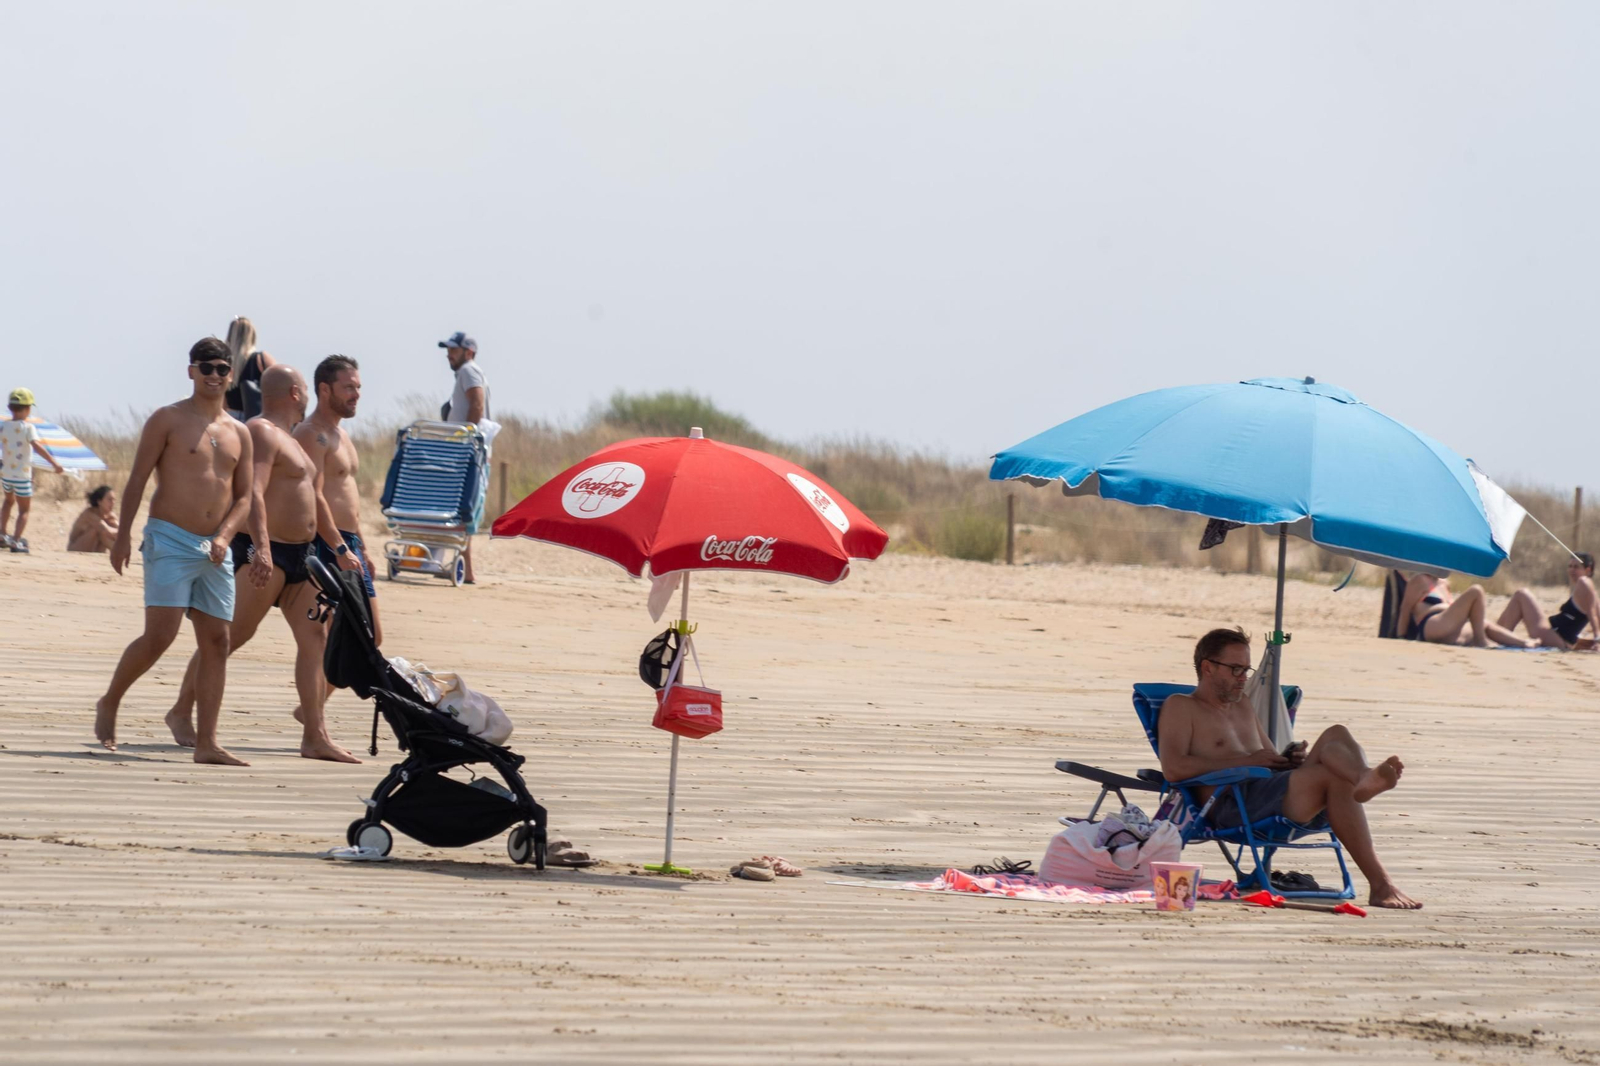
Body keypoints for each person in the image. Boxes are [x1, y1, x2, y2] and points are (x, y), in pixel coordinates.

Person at [166, 365, 361, 763]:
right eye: (305, 388)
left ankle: (314, 735)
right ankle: (181, 711)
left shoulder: (292, 440)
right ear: (294, 392)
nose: (307, 395)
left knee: (315, 640)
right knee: (229, 637)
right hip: (265, 552)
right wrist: (262, 548)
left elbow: (315, 499)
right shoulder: (261, 431)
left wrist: (338, 547)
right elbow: (252, 493)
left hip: (303, 555)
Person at [1158, 627, 1421, 909]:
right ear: (1207, 667)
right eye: (1235, 669)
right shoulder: (1181, 707)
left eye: (1246, 670)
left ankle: (1363, 777)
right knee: (1332, 778)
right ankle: (1380, 883)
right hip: (1232, 804)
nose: (1243, 678)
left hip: (1268, 790)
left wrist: (1287, 759)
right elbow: (1174, 769)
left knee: (1336, 733)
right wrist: (1247, 760)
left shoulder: (1243, 705)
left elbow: (1266, 756)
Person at [94, 339, 259, 765]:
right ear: (191, 371)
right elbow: (136, 479)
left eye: (223, 368)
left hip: (215, 549)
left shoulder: (239, 432)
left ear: (231, 374)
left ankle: (208, 743)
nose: (214, 375)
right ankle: (110, 700)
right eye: (206, 367)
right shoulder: (167, 419)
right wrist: (125, 536)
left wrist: (225, 537)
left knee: (217, 641)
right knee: (160, 636)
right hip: (168, 538)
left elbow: (244, 498)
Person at [297, 355, 383, 646]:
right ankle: (314, 693)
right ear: (325, 390)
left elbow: (348, 498)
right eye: (348, 388)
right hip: (327, 544)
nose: (356, 395)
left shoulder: (342, 435)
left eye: (358, 387)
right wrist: (339, 547)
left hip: (349, 544)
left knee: (370, 639)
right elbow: (313, 495)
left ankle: (317, 694)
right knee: (345, 640)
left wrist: (363, 549)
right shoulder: (311, 434)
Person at [439, 330, 488, 584]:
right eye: (448, 350)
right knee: (460, 510)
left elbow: (477, 404)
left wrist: (466, 441)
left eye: (454, 350)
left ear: (468, 352)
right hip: (464, 450)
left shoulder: (469, 370)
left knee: (462, 509)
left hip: (466, 451)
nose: (449, 355)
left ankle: (465, 569)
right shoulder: (465, 373)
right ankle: (463, 569)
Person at [1, 387, 68, 553]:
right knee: (24, 509)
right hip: (22, 476)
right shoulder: (28, 428)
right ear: (28, 409)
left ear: (10, 408)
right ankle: (16, 541)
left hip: (6, 474)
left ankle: (2, 534)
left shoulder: (3, 426)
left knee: (8, 502)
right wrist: (54, 463)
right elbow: (37, 447)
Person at [1495, 552, 1600, 650]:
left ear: (1588, 570)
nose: (1572, 570)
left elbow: (1593, 615)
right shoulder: (1592, 593)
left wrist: (1597, 640)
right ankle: (1497, 634)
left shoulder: (1584, 582)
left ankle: (1496, 635)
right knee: (1521, 596)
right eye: (1570, 566)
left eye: (1576, 567)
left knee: (1521, 594)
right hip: (1555, 635)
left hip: (1556, 638)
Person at [1398, 572, 1531, 648]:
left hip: (1451, 628)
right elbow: (1405, 609)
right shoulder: (1419, 579)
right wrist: (1400, 637)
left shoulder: (1444, 583)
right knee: (1476, 591)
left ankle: (1524, 643)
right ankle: (1481, 641)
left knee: (1484, 624)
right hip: (1432, 623)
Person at [223, 316, 277, 422]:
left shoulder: (223, 363)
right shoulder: (261, 359)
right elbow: (280, 383)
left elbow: (222, 401)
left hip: (230, 417)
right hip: (257, 416)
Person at [67, 485, 120, 553]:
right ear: (99, 502)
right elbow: (106, 530)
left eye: (114, 500)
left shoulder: (111, 516)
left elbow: (121, 532)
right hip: (75, 548)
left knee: (112, 524)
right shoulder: (89, 513)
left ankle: (119, 552)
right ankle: (118, 551)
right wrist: (122, 533)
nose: (113, 503)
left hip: (95, 550)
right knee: (97, 530)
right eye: (109, 500)